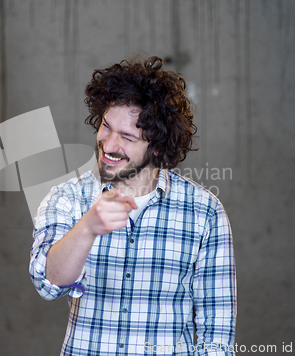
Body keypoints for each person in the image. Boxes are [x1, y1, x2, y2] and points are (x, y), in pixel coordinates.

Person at [29, 56, 236, 355]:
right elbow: (48, 284)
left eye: (127, 137)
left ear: (158, 147)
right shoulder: (67, 198)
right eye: (106, 126)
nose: (109, 145)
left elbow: (216, 337)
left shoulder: (205, 212)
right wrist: (87, 228)